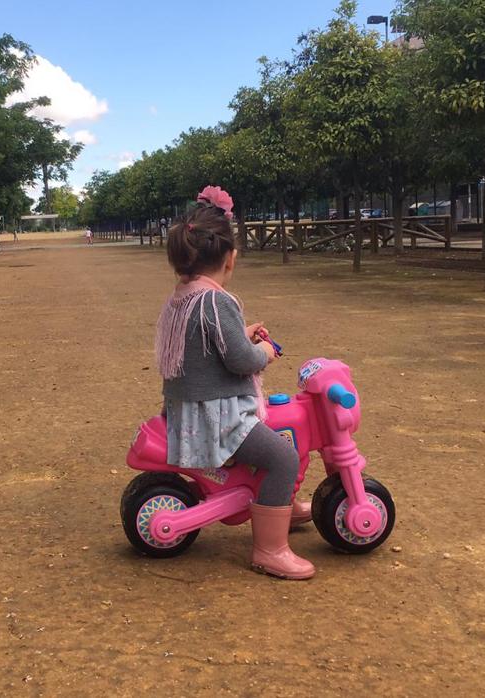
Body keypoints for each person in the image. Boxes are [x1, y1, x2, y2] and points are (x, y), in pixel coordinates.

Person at [155, 185, 314, 581]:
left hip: (190, 408)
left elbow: (204, 346)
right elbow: (240, 359)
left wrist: (241, 331)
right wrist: (265, 354)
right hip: (218, 415)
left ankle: (276, 502)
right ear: (230, 258)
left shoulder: (182, 297)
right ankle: (270, 549)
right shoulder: (217, 301)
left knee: (278, 435)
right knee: (283, 457)